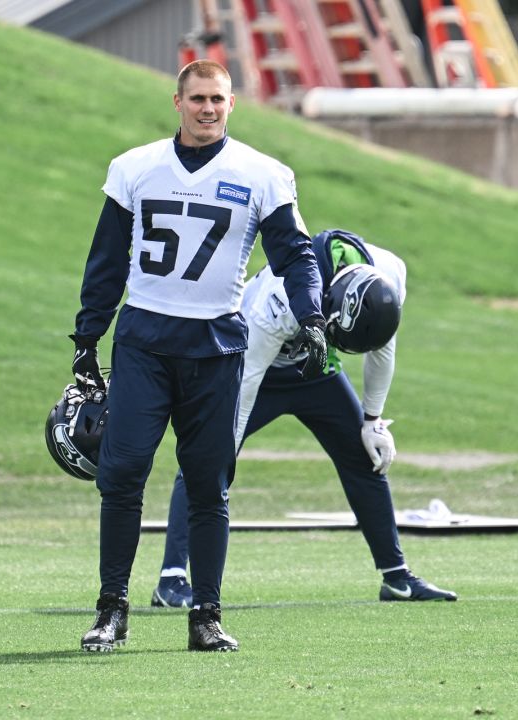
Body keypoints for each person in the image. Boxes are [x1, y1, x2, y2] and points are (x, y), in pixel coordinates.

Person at [71, 59, 327, 653]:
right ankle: (112, 609)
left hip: (215, 344)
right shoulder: (134, 168)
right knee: (122, 472)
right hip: (144, 340)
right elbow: (106, 261)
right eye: (197, 99)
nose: (207, 108)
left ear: (232, 104)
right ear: (177, 102)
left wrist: (311, 315)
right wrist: (87, 338)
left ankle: (206, 614)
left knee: (210, 483)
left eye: (217, 99)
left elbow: (295, 256)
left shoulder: (263, 174)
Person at [150, 228, 457, 610]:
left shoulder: (388, 274)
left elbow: (381, 348)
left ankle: (396, 578)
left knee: (363, 456)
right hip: (250, 360)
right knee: (206, 457)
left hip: (314, 365)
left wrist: (372, 420)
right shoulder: (280, 293)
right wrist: (223, 444)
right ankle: (172, 579)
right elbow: (246, 380)